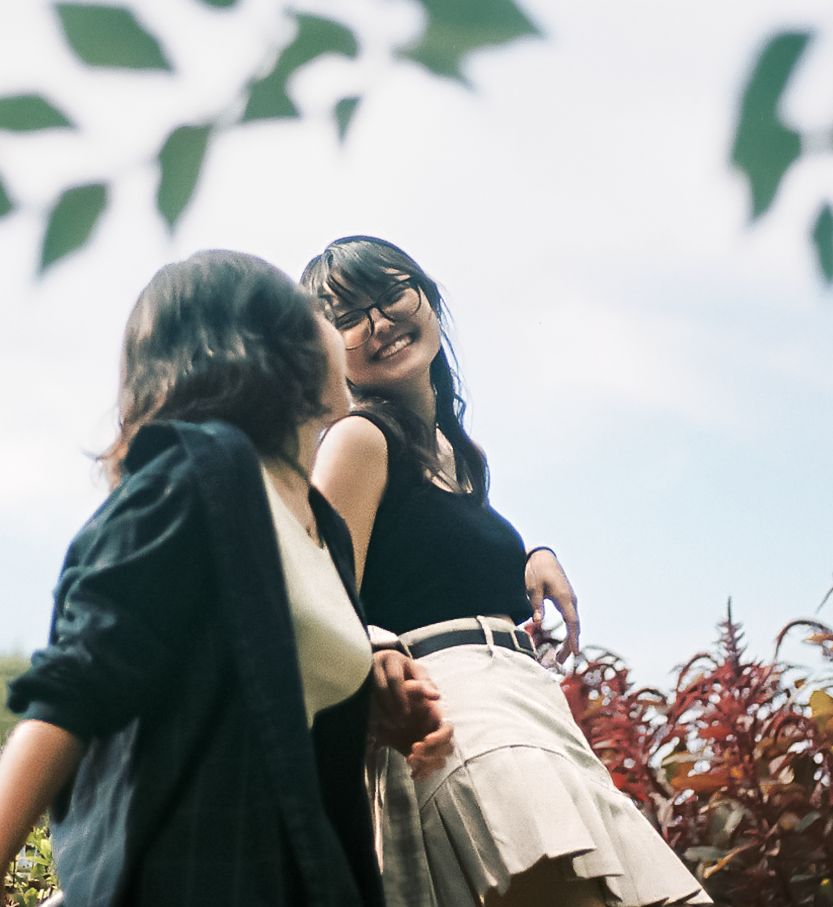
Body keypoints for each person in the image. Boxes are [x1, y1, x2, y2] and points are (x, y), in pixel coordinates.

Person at [0, 250, 452, 907]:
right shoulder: (198, 473)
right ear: (263, 342)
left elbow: (269, 705)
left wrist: (374, 700)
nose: (335, 327)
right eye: (316, 313)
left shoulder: (323, 525)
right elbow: (81, 677)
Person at [302, 237, 710, 907]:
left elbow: (436, 556)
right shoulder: (357, 437)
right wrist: (372, 644)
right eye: (347, 316)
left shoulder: (459, 454)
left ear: (427, 296)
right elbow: (316, 593)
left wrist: (527, 555)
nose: (377, 322)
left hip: (529, 704)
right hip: (458, 713)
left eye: (390, 294)